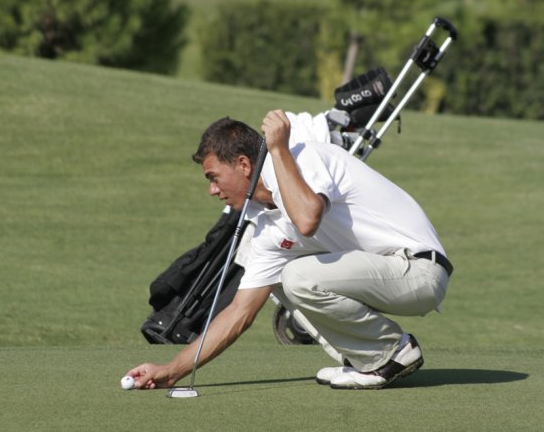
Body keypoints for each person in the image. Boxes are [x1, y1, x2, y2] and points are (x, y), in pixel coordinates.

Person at [126, 109, 453, 390]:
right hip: (386, 273)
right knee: (281, 280)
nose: (212, 190)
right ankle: (361, 357)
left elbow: (308, 217)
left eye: (214, 177)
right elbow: (239, 314)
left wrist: (278, 148)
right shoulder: (265, 229)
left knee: (296, 274)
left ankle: (389, 354)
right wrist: (171, 372)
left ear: (243, 164)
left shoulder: (304, 157)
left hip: (419, 270)